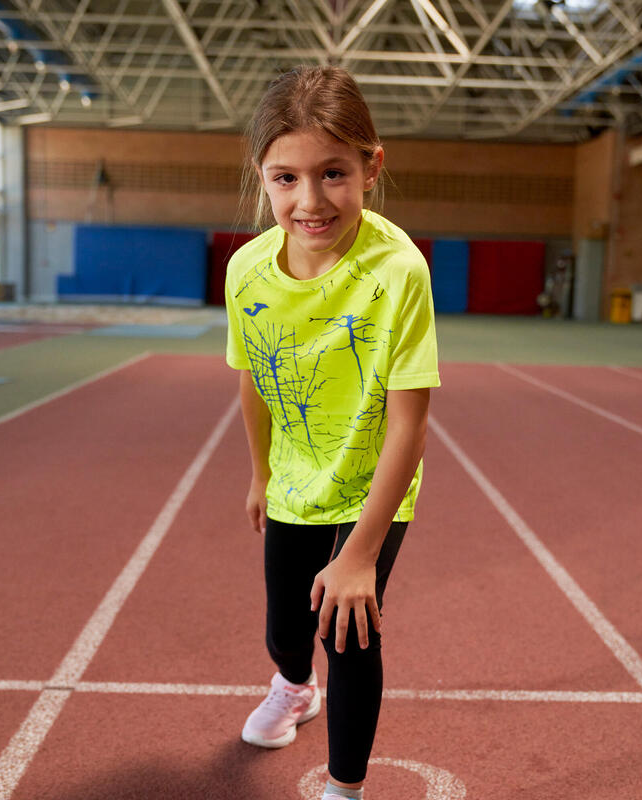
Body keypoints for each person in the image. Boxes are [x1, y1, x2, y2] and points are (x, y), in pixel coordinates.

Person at [224, 65, 440, 800]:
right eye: (285, 178)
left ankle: (344, 789)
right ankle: (293, 685)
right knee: (287, 632)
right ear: (263, 175)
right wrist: (259, 474)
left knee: (350, 631)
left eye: (333, 174)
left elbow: (411, 420)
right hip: (293, 477)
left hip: (373, 483)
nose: (309, 201)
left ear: (372, 167)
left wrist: (361, 553)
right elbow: (253, 381)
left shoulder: (399, 270)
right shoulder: (247, 272)